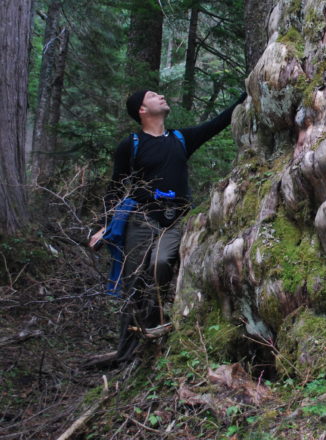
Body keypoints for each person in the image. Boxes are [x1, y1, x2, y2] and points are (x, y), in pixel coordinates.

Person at [88, 89, 246, 366]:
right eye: (152, 95)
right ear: (142, 110)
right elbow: (115, 187)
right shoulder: (132, 144)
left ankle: (154, 330)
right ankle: (127, 352)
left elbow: (219, 122)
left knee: (160, 265)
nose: (161, 95)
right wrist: (103, 224)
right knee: (134, 281)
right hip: (141, 218)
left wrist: (246, 94)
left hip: (175, 221)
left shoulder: (181, 139)